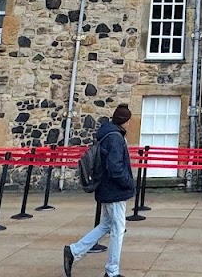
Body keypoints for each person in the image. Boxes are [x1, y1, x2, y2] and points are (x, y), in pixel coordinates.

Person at [64, 104, 134, 277]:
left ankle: (74, 251)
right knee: (118, 230)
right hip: (114, 189)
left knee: (106, 224)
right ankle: (112, 271)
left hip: (106, 187)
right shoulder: (115, 138)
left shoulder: (107, 134)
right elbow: (115, 167)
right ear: (125, 121)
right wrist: (129, 183)